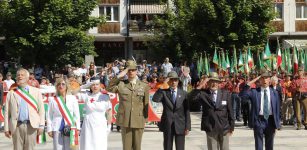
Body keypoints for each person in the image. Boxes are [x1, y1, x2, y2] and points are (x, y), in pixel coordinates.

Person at [107, 60, 150, 150]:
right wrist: (119, 75)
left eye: (133, 70)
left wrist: (145, 119)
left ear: (136, 71)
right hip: (125, 119)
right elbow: (109, 88)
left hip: (139, 119)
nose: (131, 72)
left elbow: (146, 103)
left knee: (137, 147)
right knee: (126, 147)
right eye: (129, 70)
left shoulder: (144, 85)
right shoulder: (121, 84)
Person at [189, 72, 234, 150]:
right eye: (212, 81)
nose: (214, 84)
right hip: (210, 128)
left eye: (216, 82)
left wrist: (232, 127)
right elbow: (190, 98)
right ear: (208, 82)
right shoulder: (203, 94)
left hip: (224, 128)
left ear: (219, 83)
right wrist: (200, 85)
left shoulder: (225, 94)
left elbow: (230, 111)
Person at [4, 68, 45, 150]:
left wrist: (41, 125)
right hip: (16, 126)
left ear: (27, 77)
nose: (20, 76)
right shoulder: (11, 93)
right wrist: (6, 128)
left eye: (22, 75)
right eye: (18, 75)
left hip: (31, 126)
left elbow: (41, 110)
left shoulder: (36, 91)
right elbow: (6, 113)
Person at [152, 71, 191, 150]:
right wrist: (163, 85)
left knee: (180, 147)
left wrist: (187, 126)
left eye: (175, 80)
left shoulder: (184, 93)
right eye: (171, 80)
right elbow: (155, 99)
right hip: (167, 124)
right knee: (167, 147)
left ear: (178, 81)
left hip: (180, 125)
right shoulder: (164, 93)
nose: (173, 82)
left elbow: (187, 111)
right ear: (168, 81)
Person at [244, 69, 281, 150]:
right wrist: (254, 80)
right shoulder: (254, 92)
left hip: (270, 121)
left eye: (267, 78)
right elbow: (242, 95)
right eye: (262, 78)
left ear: (270, 80)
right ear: (259, 80)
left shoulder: (275, 93)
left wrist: (277, 123)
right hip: (259, 120)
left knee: (269, 145)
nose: (265, 80)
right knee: (259, 146)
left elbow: (277, 109)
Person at [46, 78, 80, 150]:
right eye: (59, 84)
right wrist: (49, 129)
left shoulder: (73, 98)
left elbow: (77, 114)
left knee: (70, 148)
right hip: (57, 127)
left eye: (63, 84)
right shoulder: (52, 99)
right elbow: (49, 115)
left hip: (71, 128)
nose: (61, 86)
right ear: (56, 87)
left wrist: (78, 128)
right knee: (58, 148)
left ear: (67, 86)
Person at [80, 78, 112, 150]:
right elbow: (72, 92)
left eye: (97, 84)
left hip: (100, 124)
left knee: (99, 144)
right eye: (93, 85)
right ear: (90, 86)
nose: (95, 86)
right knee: (88, 145)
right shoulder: (87, 95)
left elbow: (109, 112)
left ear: (100, 85)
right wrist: (83, 86)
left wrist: (109, 125)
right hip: (88, 124)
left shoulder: (105, 96)